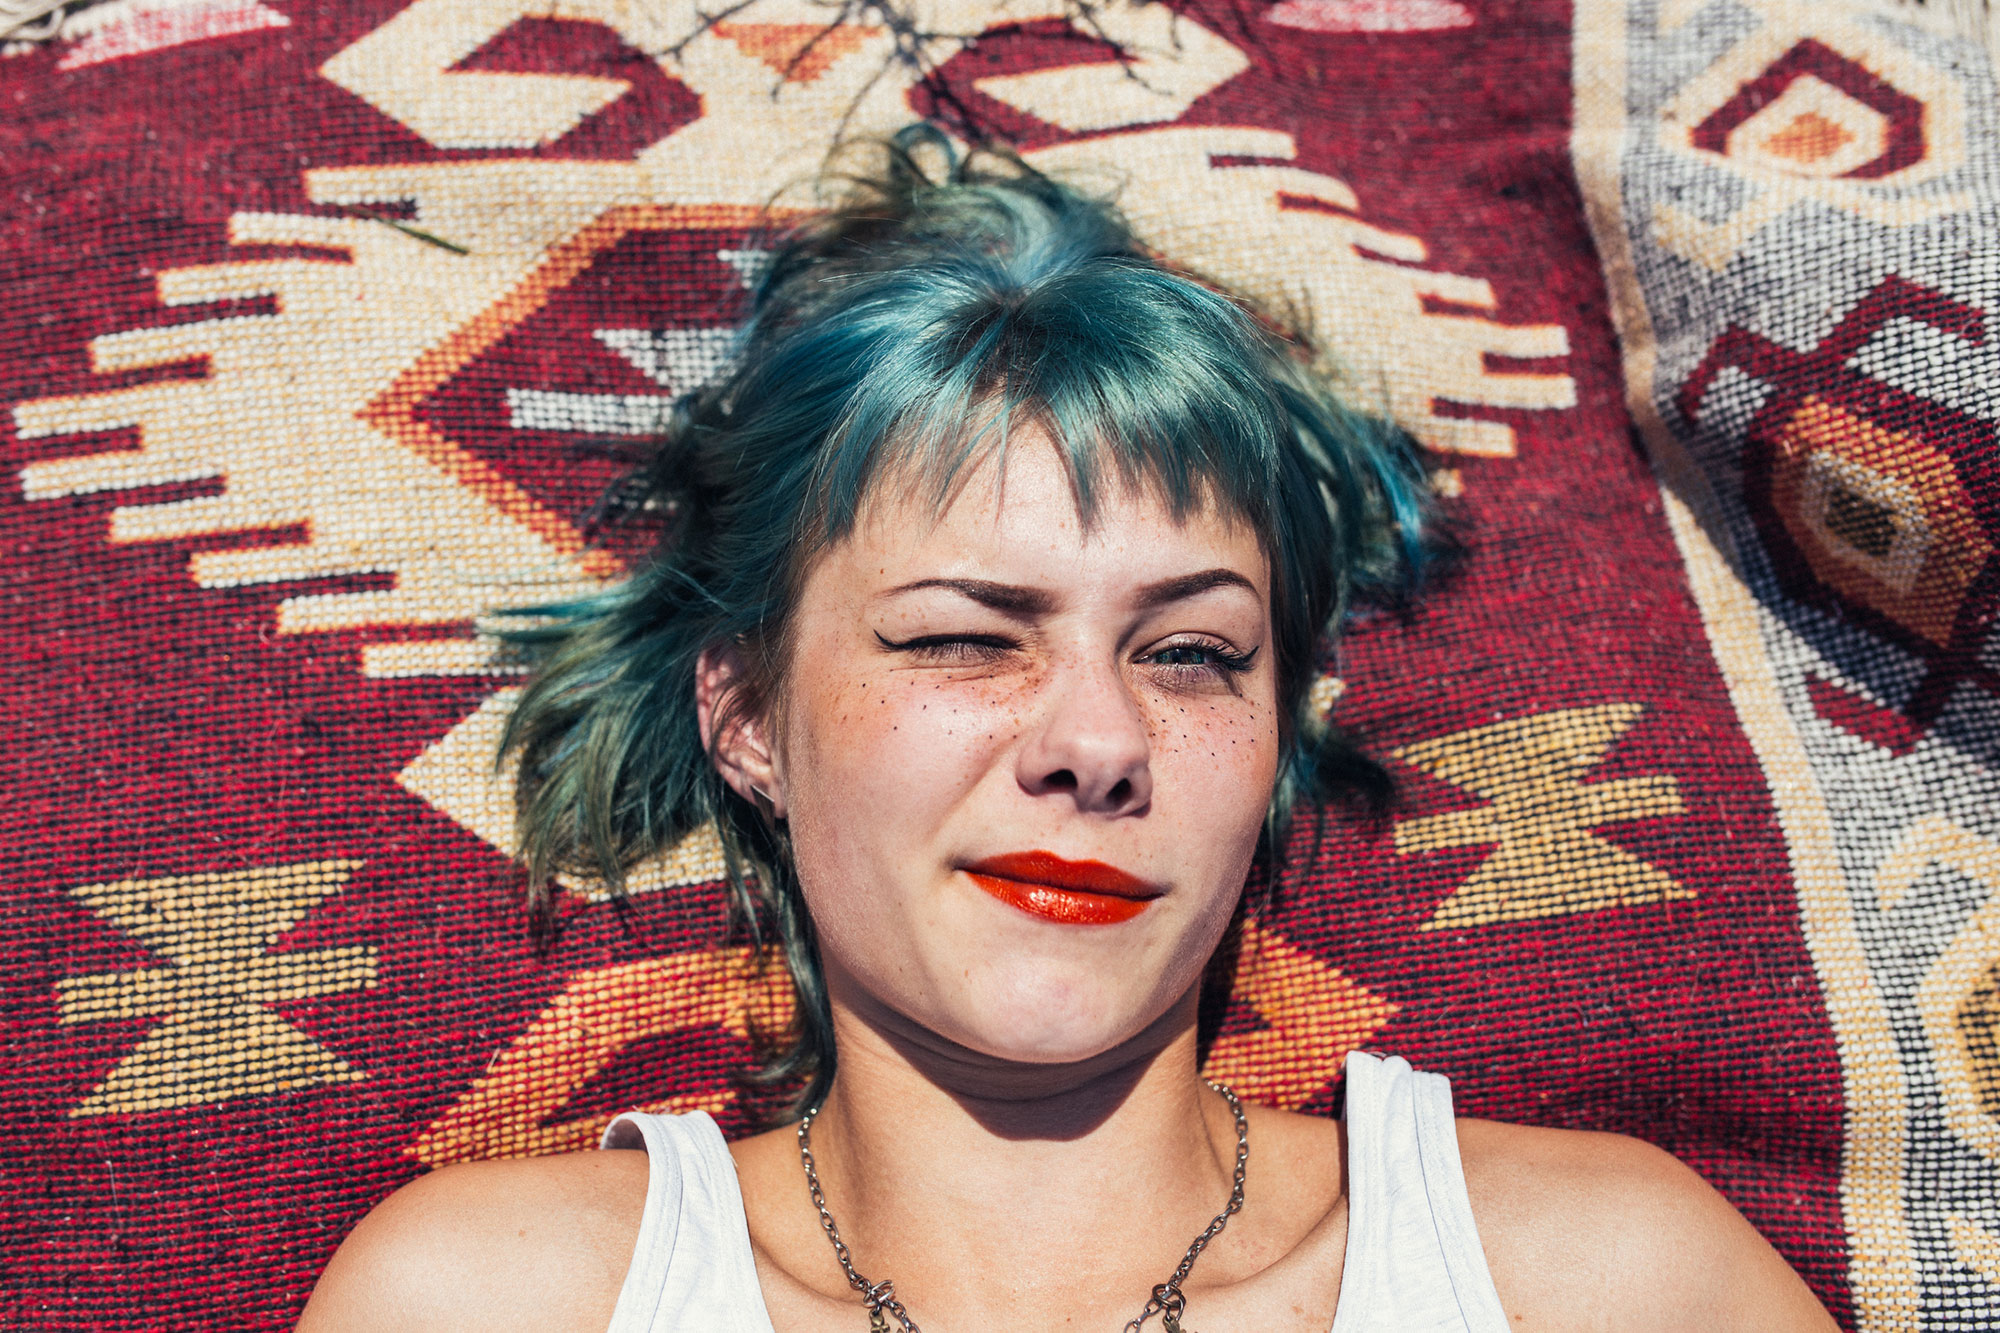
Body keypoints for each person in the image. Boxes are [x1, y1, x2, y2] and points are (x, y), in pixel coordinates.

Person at [297, 130, 1839, 1332]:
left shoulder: (1596, 1284)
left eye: (1188, 653)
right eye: (966, 636)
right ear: (749, 712)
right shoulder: (497, 1299)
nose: (1096, 740)